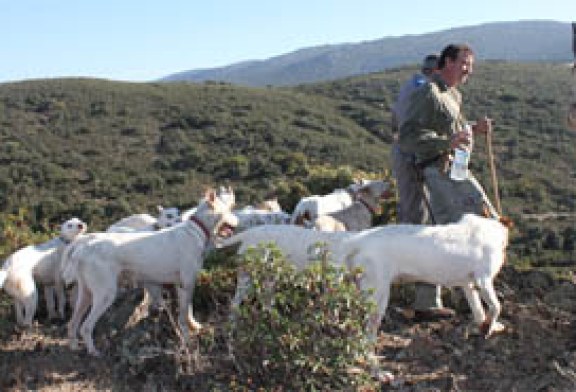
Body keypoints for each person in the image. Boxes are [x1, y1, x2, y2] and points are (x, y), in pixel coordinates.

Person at [398, 43, 499, 320]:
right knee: (453, 232)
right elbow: (407, 136)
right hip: (435, 172)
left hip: (453, 170)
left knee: (476, 221)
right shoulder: (427, 92)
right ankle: (436, 302)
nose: (469, 69)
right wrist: (447, 142)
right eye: (464, 63)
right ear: (447, 62)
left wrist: (474, 130)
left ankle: (461, 295)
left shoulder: (453, 94)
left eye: (471, 65)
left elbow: (455, 131)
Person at [391, 54, 438, 226]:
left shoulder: (409, 86)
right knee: (416, 214)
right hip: (412, 156)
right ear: (436, 71)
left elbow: (394, 120)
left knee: (408, 207)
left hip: (402, 153)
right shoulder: (424, 90)